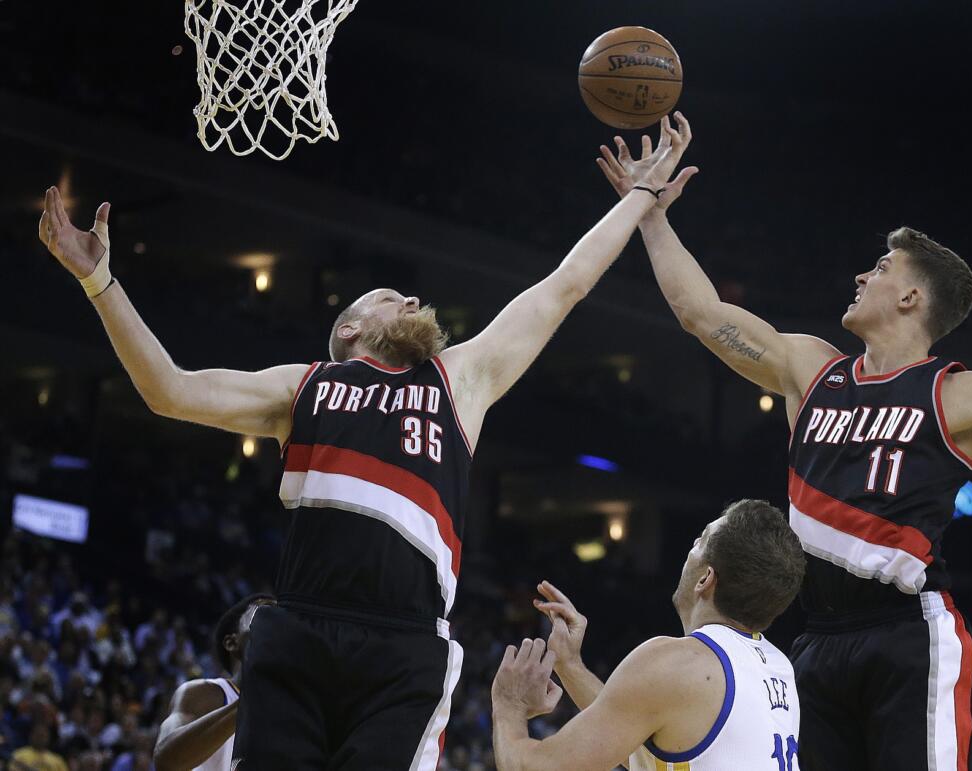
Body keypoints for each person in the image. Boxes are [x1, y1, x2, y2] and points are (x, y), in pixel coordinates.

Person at [36, 115, 690, 770]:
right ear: (348, 328)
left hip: (403, 647)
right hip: (297, 626)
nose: (410, 296)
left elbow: (564, 286)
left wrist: (639, 195)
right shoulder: (306, 384)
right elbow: (169, 391)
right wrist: (100, 283)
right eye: (388, 296)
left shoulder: (459, 377)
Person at [597, 112, 972, 770]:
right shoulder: (812, 370)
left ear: (912, 295)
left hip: (909, 637)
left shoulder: (961, 395)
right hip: (815, 638)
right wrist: (650, 211)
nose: (862, 276)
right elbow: (701, 314)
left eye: (880, 267)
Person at [491, 499, 806, 770]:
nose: (690, 550)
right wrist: (571, 665)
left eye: (700, 541)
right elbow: (648, 747)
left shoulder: (678, 663)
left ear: (706, 578)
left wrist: (508, 705)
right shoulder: (778, 669)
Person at [153, 594, 275, 771]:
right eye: (264, 613)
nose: (278, 625)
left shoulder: (285, 711)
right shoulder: (206, 694)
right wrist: (251, 698)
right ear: (232, 642)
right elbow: (167, 760)